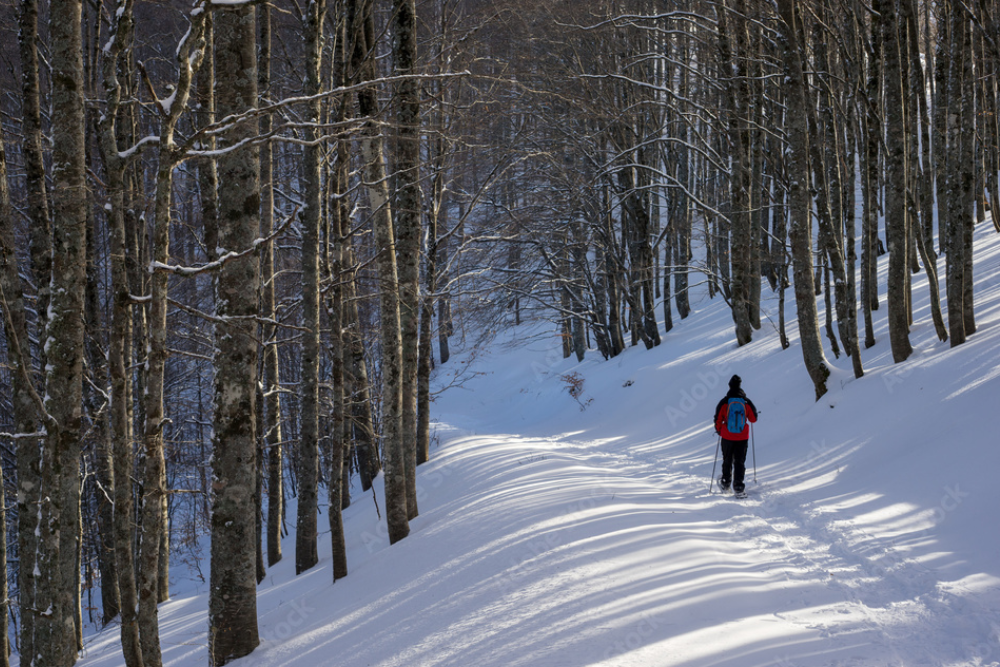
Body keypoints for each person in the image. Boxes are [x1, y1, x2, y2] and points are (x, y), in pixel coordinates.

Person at [714, 374, 758, 495]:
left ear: (730, 386)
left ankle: (725, 484)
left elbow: (718, 419)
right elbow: (753, 419)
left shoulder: (724, 402)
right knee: (739, 461)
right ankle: (739, 487)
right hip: (742, 437)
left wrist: (720, 430)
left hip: (727, 436)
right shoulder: (746, 402)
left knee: (727, 460)